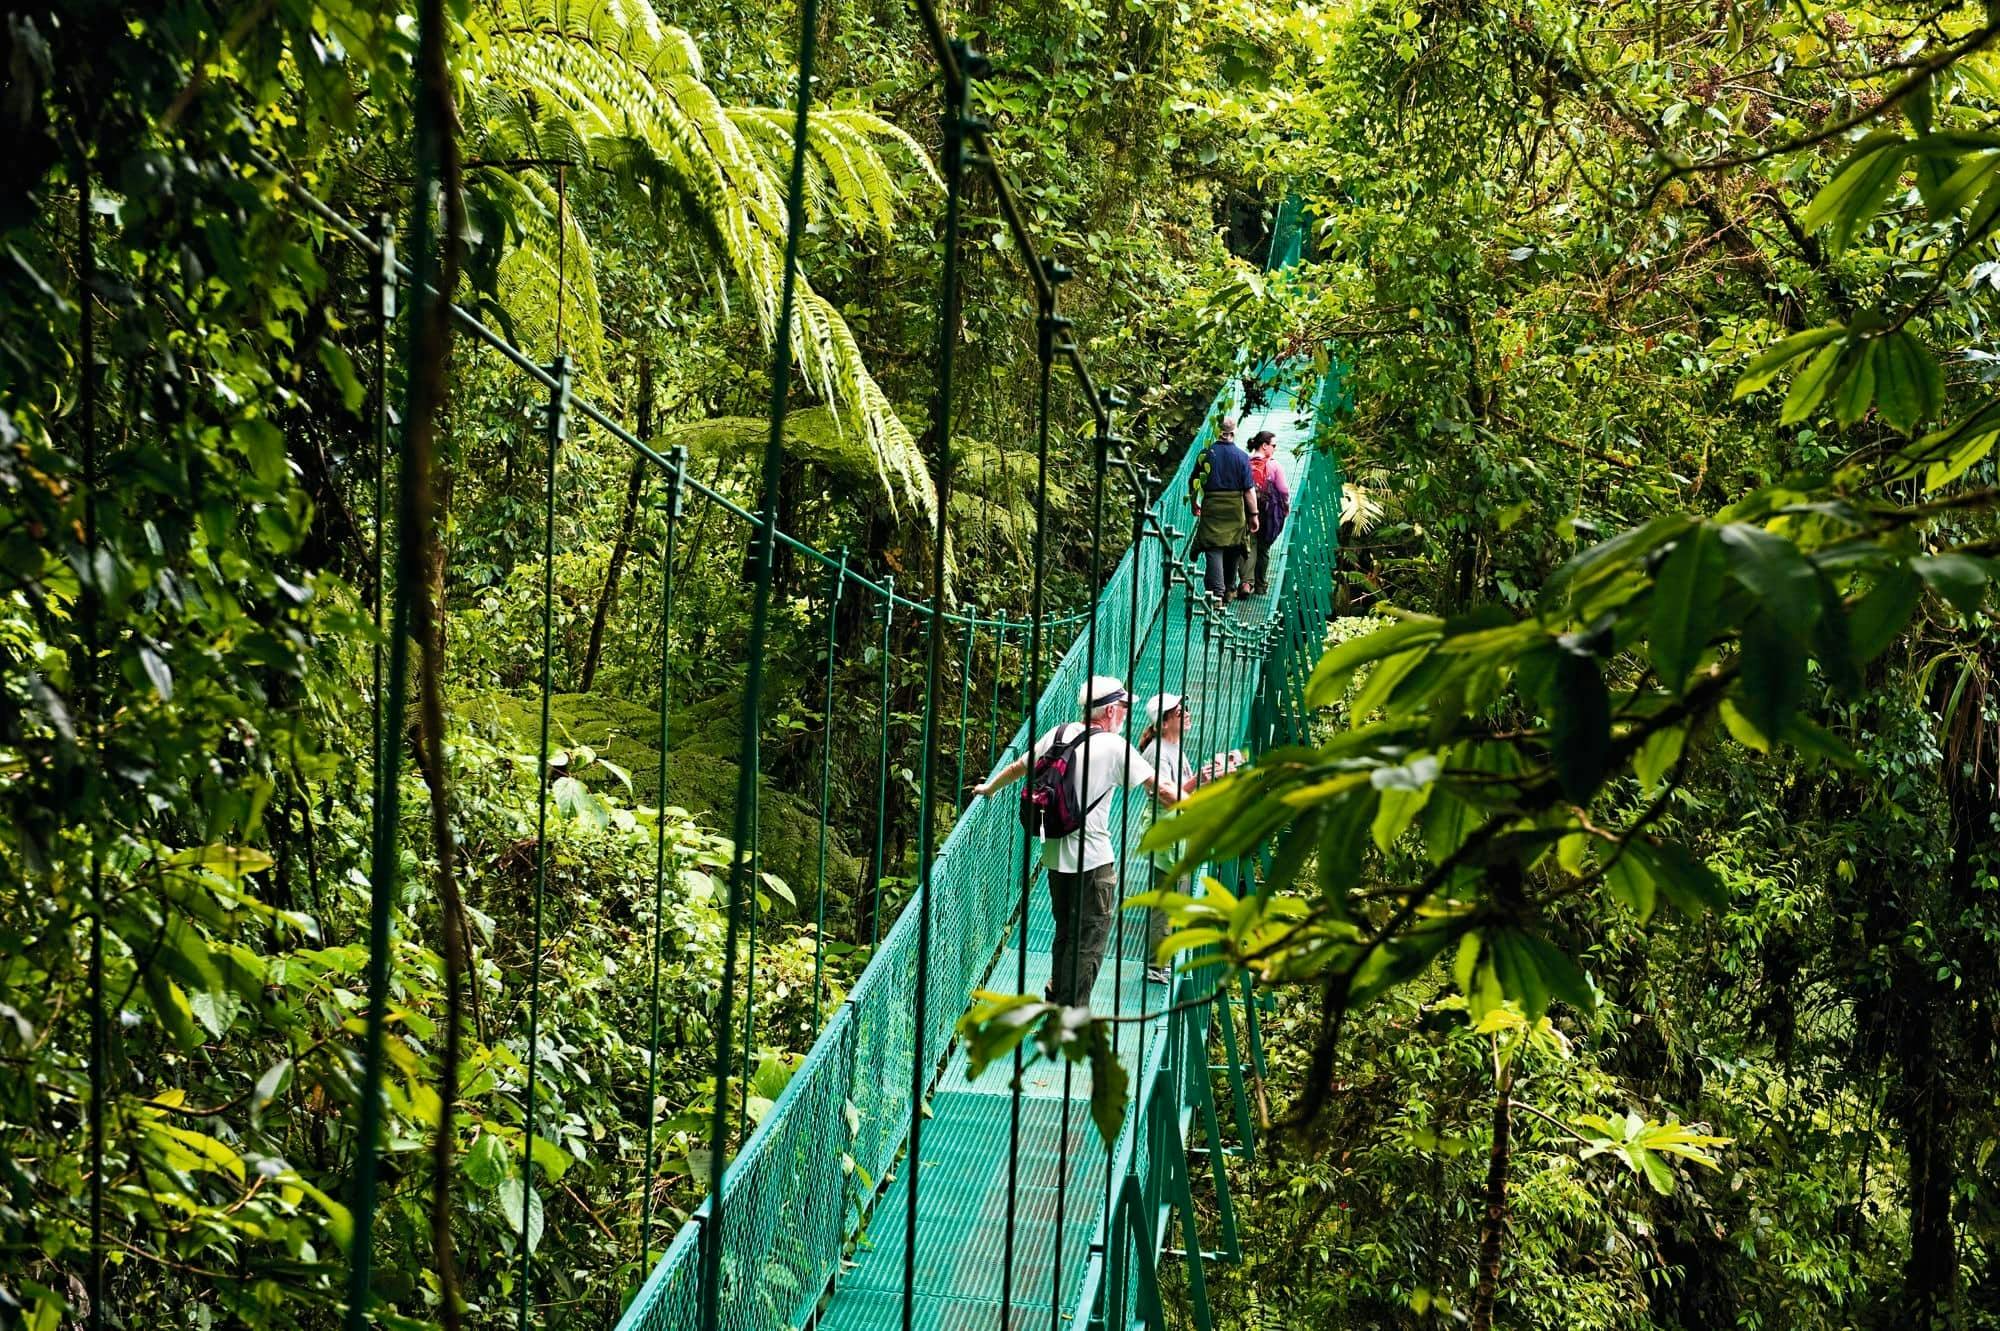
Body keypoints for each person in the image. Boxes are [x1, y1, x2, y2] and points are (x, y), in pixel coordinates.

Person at [971, 675, 1182, 1007]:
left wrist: (988, 789)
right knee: (1090, 941)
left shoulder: (1058, 734)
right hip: (1094, 862)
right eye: (1125, 707)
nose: (1127, 714)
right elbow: (1163, 790)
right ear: (1110, 710)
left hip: (1054, 857)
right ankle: (1072, 1014)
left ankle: (1057, 999)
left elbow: (1017, 767)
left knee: (1066, 934)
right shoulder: (1114, 746)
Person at [1136, 693, 1196, 985]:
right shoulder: (1157, 752)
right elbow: (1166, 796)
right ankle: (1156, 965)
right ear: (1163, 723)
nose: (1185, 713)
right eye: (1178, 711)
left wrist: (1203, 779)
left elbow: (1181, 788)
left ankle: (1163, 960)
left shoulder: (1175, 747)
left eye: (1184, 708)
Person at [1189, 416, 1259, 604]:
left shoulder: (1207, 454)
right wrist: (1254, 515)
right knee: (1233, 548)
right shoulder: (1242, 457)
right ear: (1234, 432)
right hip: (1235, 509)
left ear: (1218, 430)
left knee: (1214, 549)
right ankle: (1228, 590)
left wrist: (1194, 502)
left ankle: (1216, 594)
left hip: (1212, 507)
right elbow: (1249, 490)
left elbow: (1193, 480)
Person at [1245, 430, 1291, 596]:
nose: (1275, 449)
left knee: (1249, 544)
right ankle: (1260, 585)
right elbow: (1284, 489)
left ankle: (1245, 583)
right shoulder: (1274, 465)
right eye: (1273, 445)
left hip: (1248, 509)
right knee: (1263, 549)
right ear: (1264, 446)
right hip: (1267, 512)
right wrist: (1285, 504)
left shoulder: (1245, 461)